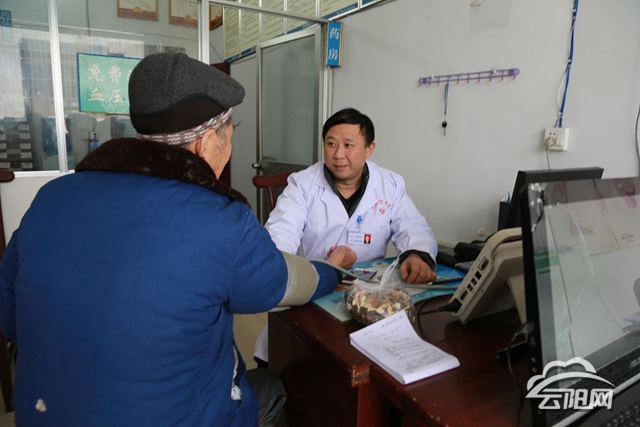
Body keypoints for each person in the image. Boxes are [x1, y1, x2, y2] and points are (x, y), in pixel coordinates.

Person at [0, 53, 356, 427]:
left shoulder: (51, 198)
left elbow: (10, 317)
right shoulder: (220, 219)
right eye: (230, 135)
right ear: (206, 142)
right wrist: (331, 270)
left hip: (43, 416)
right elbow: (281, 283)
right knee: (271, 386)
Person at [254, 107, 438, 364]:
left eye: (348, 145)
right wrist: (284, 271)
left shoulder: (389, 184)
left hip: (370, 297)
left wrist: (416, 254)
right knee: (304, 358)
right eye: (331, 144)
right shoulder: (303, 184)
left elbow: (412, 225)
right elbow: (280, 233)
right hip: (313, 293)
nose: (338, 154)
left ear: (369, 148)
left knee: (372, 361)